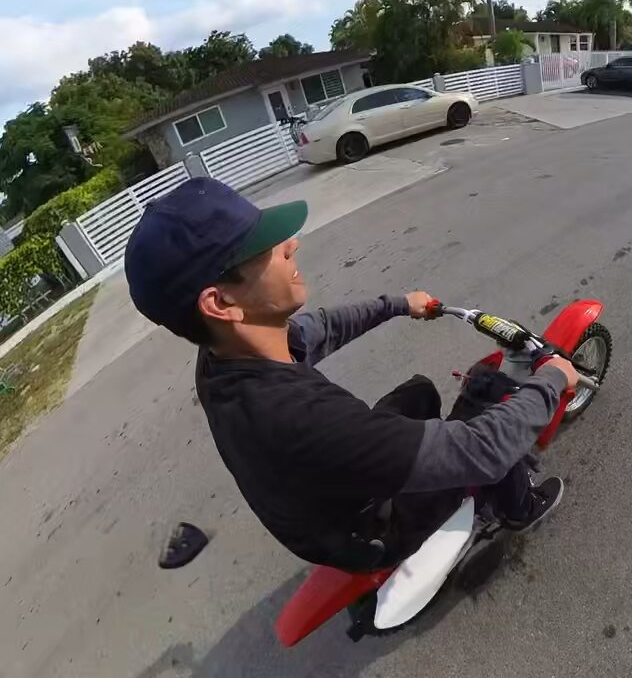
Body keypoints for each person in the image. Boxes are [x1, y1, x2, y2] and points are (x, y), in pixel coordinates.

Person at [124, 178, 577, 571]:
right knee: (492, 399)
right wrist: (553, 378)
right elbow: (481, 450)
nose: (291, 244)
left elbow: (323, 328)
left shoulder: (226, 353)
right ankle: (519, 508)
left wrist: (398, 304)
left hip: (320, 506)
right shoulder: (300, 419)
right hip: (372, 531)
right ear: (220, 303)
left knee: (420, 392)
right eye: (264, 247)